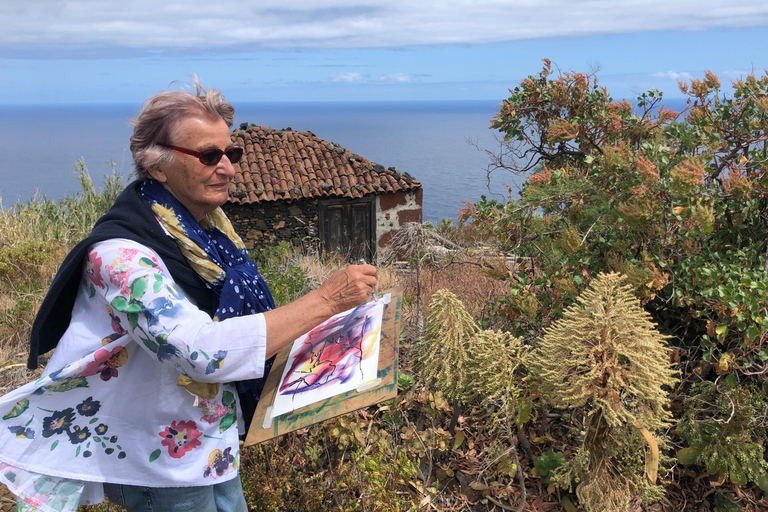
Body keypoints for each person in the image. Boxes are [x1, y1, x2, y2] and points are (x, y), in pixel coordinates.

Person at [0, 79, 377, 512]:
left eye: (231, 153)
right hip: (156, 460)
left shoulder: (207, 235)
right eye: (209, 155)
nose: (229, 168)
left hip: (210, 445)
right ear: (156, 165)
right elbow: (201, 351)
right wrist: (327, 301)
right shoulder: (121, 259)